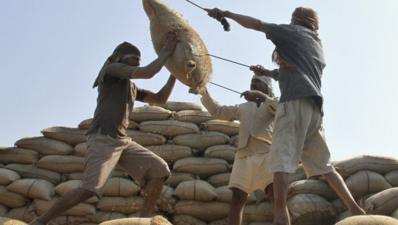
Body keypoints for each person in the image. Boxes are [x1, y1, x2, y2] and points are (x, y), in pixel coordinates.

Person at [206, 6, 365, 225]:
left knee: (280, 164)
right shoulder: (315, 44)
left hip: (293, 106)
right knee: (325, 166)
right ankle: (355, 209)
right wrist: (267, 72)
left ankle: (280, 217)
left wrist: (227, 14)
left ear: (296, 20)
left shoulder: (293, 32)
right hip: (314, 110)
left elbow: (258, 24)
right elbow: (290, 70)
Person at [30, 32, 179, 225]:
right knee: (89, 189)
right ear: (120, 58)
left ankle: (144, 221)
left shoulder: (130, 87)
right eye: (132, 61)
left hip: (122, 141)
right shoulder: (111, 70)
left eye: (137, 62)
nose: (134, 65)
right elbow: (148, 72)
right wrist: (167, 52)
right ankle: (41, 222)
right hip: (102, 138)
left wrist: (174, 74)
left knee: (160, 170)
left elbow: (160, 99)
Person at [199, 74, 276, 225]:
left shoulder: (272, 104)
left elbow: (284, 110)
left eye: (257, 82)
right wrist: (203, 92)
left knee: (276, 197)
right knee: (237, 199)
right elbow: (218, 111)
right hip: (244, 156)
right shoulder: (244, 107)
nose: (253, 85)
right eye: (252, 82)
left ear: (266, 88)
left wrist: (262, 97)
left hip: (266, 155)